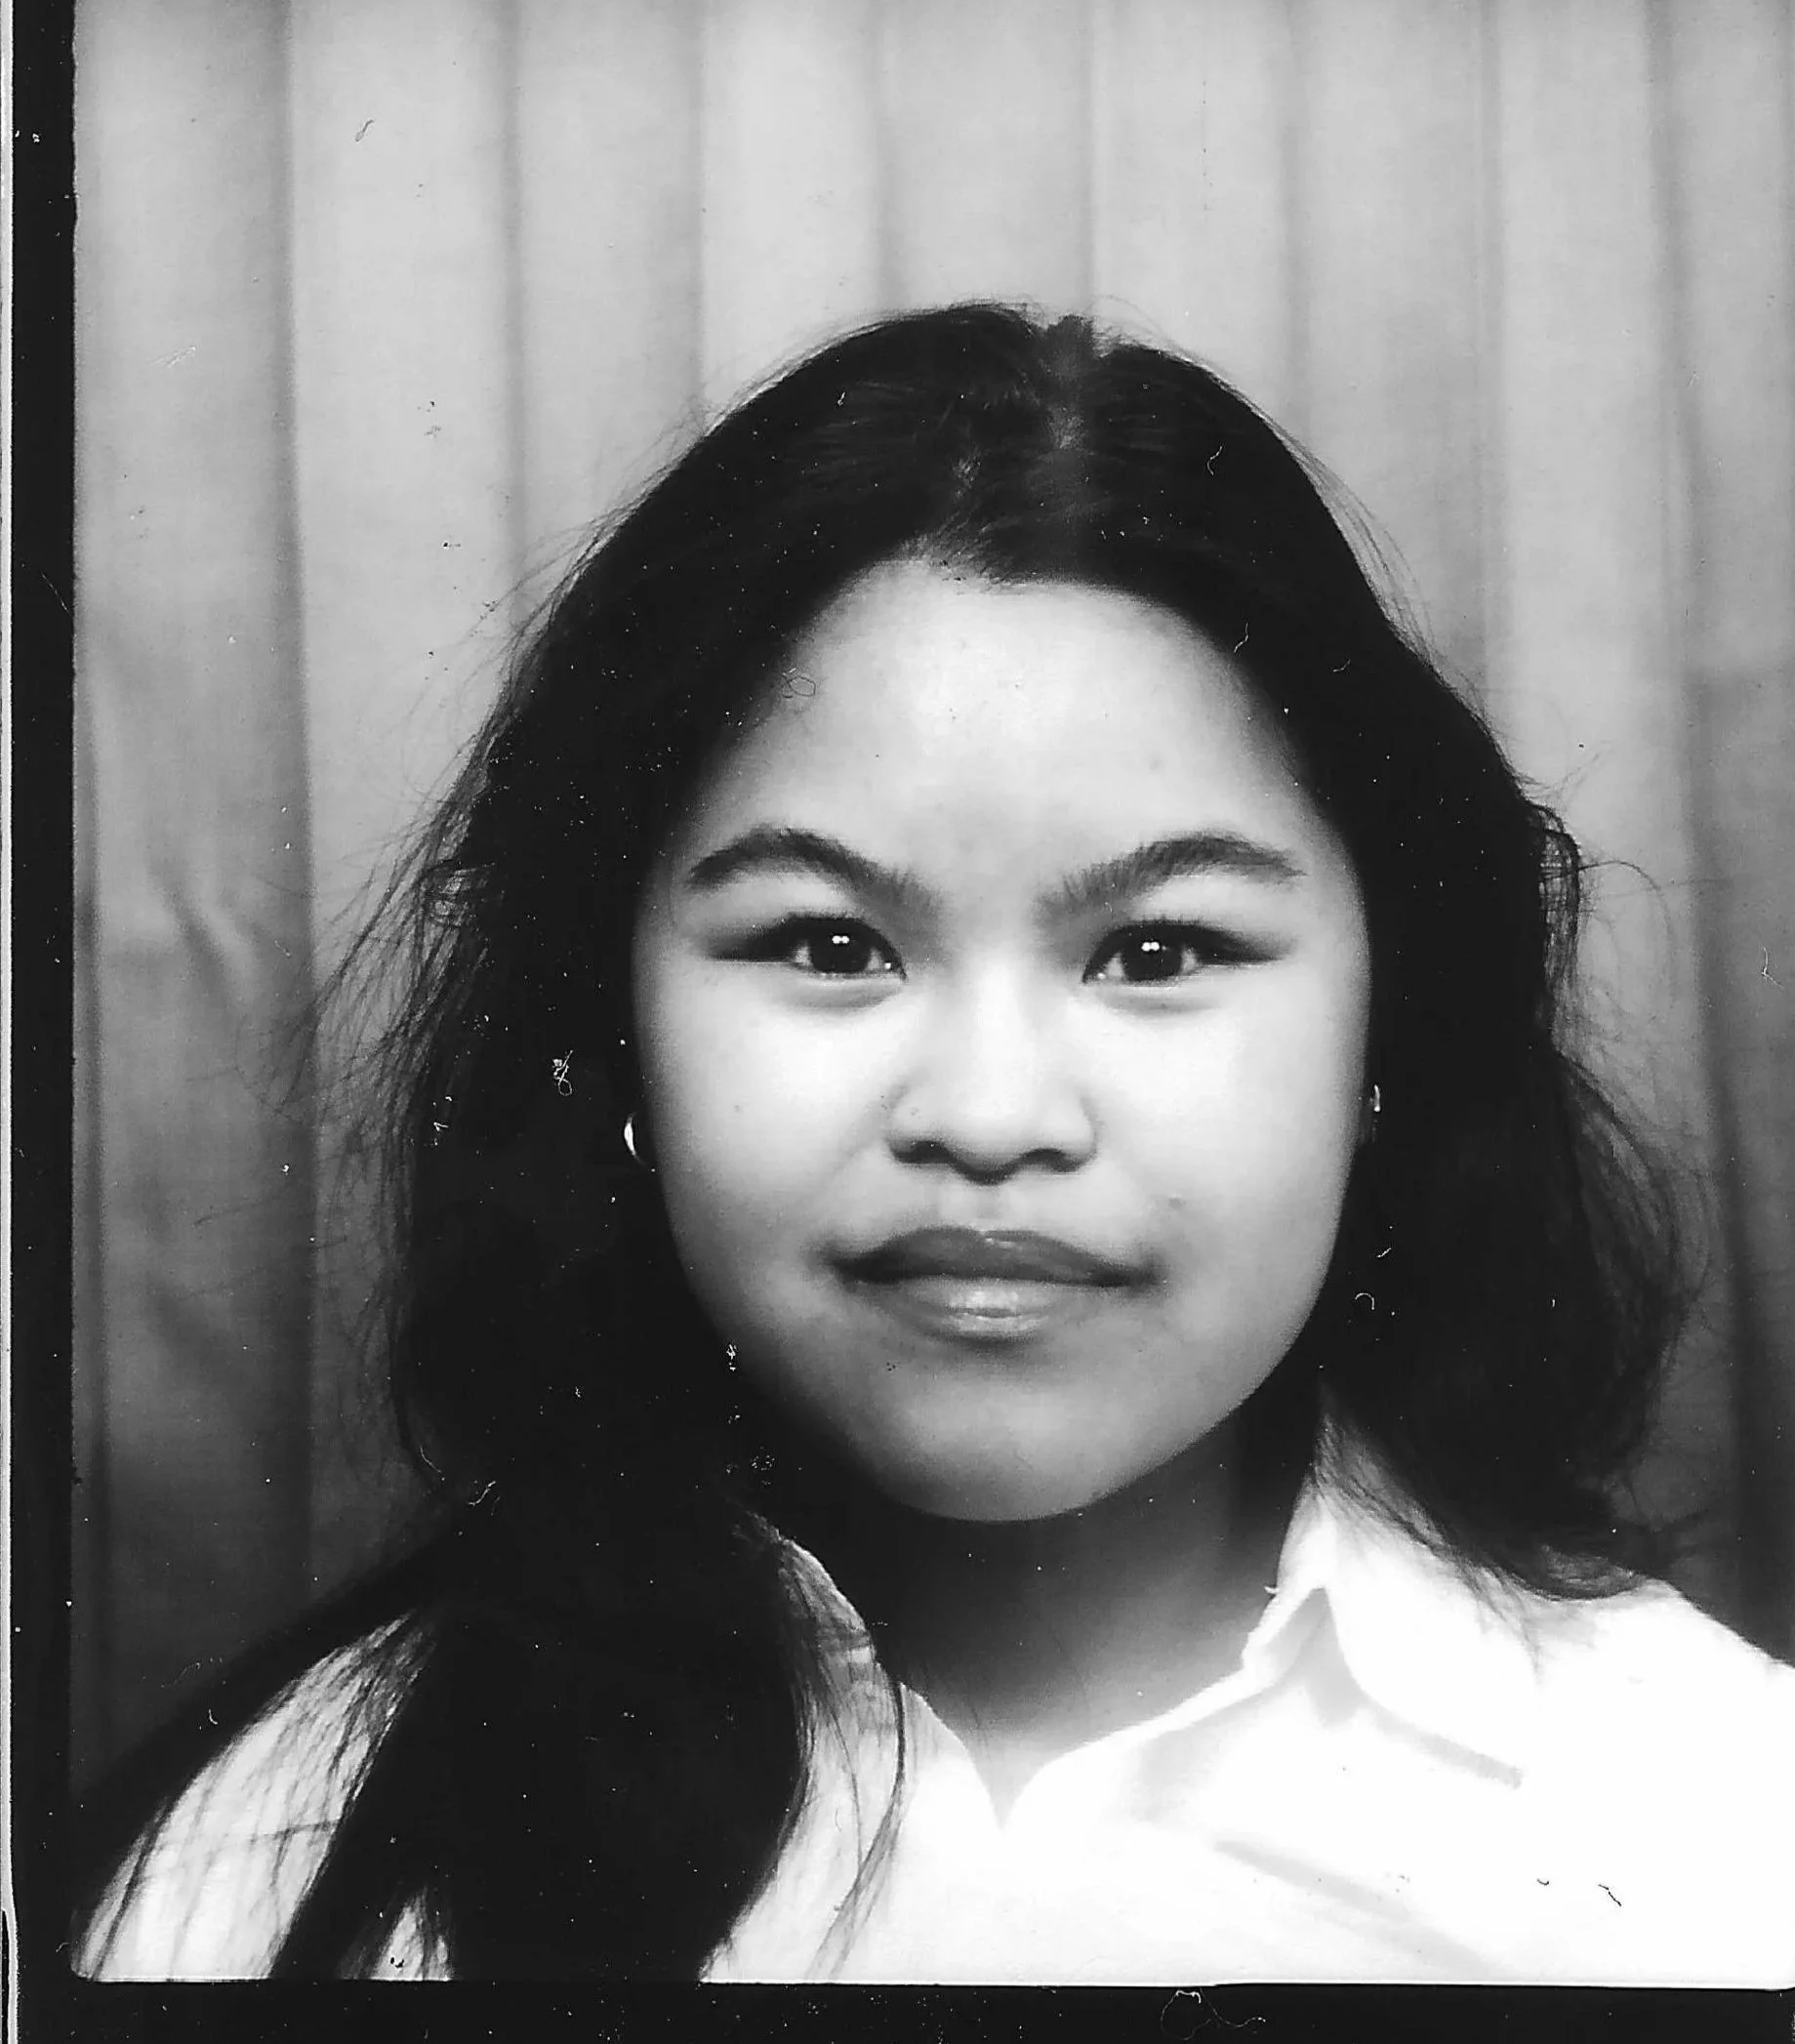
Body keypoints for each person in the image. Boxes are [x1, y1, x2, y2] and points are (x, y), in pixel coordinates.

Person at [73, 304, 1795, 1985]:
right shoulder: (276, 1871)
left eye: (1158, 950)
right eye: (830, 944)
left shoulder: (1725, 1838)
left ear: (1384, 1030)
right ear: (607, 1037)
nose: (985, 1117)